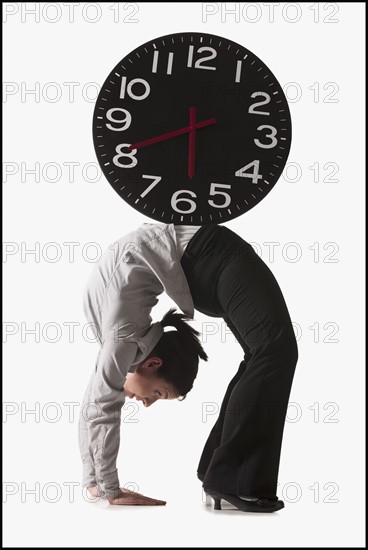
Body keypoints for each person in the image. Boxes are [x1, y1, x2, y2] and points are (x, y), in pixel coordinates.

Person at [78, 222, 298, 513]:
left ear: (153, 362)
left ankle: (224, 477)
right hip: (208, 263)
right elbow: (95, 403)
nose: (146, 403)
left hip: (210, 257)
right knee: (270, 352)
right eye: (158, 395)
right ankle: (226, 478)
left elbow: (100, 404)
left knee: (268, 352)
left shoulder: (122, 336)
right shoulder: (123, 338)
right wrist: (99, 484)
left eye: (157, 393)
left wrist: (105, 486)